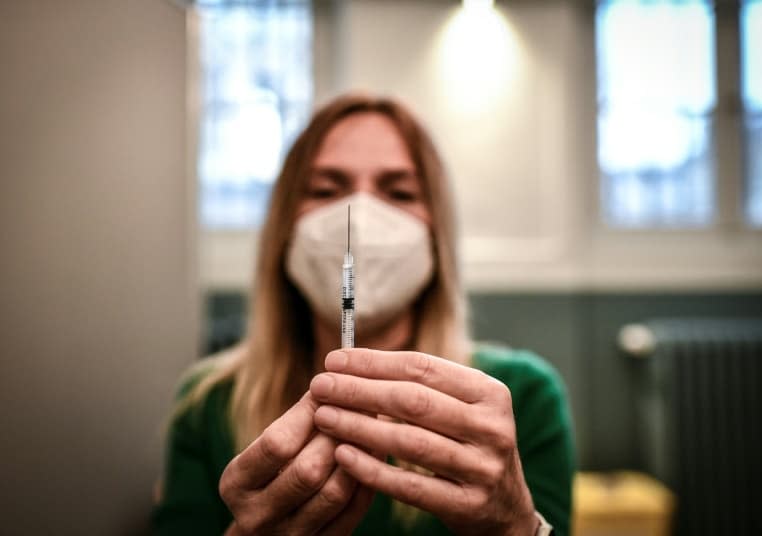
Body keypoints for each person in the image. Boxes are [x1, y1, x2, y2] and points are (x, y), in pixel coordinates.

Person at [153, 94, 575, 535]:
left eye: (399, 192)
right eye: (325, 190)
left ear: (437, 233)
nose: (361, 216)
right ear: (284, 226)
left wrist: (514, 525)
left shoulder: (513, 399)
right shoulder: (207, 404)